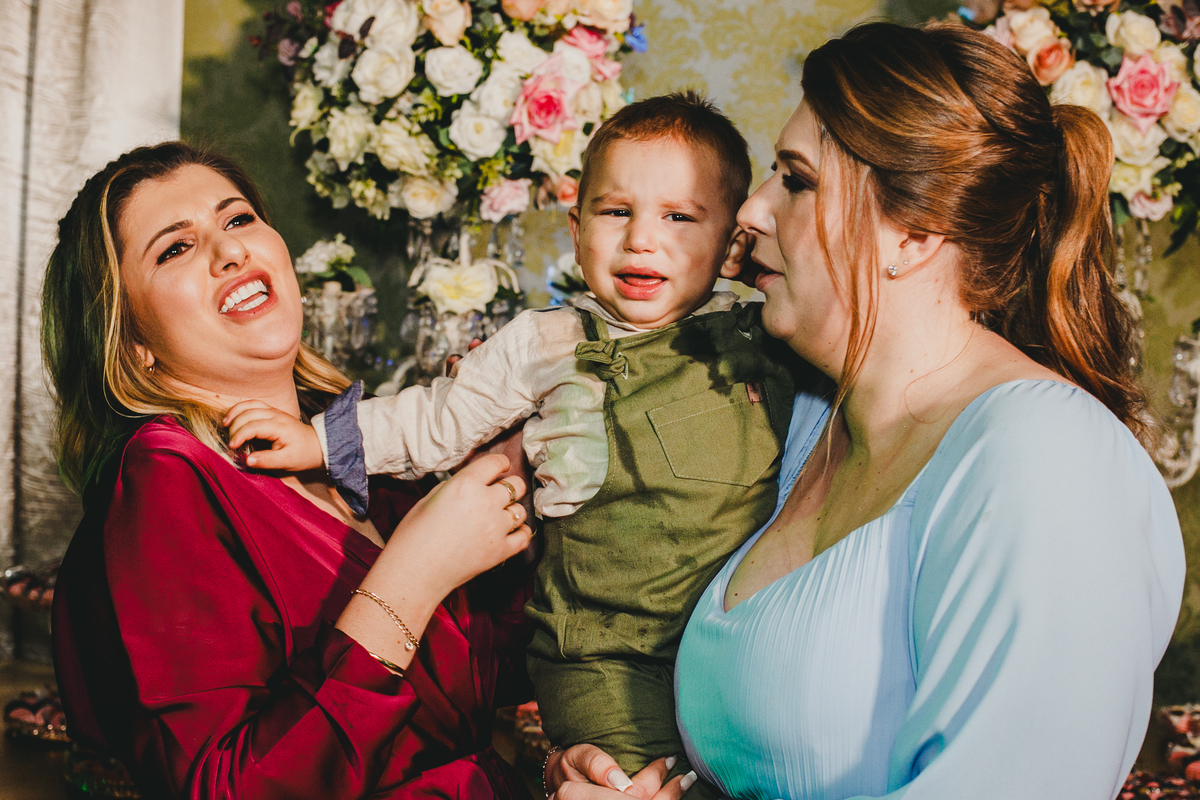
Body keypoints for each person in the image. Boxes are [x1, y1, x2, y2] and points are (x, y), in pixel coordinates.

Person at [546, 22, 1186, 800]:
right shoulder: (802, 417)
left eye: (796, 180)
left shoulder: (1045, 458)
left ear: (914, 233)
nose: (750, 210)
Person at [223, 92, 804, 779]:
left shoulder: (763, 338)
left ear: (732, 246)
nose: (641, 240)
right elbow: (437, 416)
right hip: (602, 654)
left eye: (679, 217)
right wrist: (317, 441)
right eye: (616, 212)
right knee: (634, 782)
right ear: (576, 228)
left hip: (733, 638)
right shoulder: (545, 342)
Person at [44, 141, 539, 800]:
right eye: (175, 248)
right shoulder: (163, 479)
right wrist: (416, 570)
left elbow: (482, 682)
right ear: (132, 342)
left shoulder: (360, 449)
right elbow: (227, 788)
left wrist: (512, 480)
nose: (229, 250)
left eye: (238, 218)